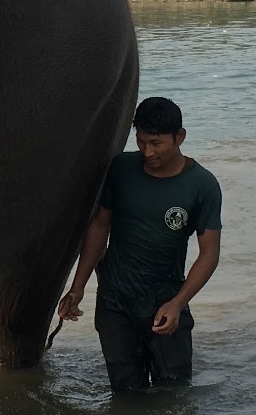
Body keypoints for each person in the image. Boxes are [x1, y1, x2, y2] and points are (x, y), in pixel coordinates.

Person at [58, 96, 223, 394]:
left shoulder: (202, 185)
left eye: (157, 143)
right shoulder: (121, 168)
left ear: (180, 137)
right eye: (142, 141)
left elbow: (209, 253)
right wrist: (78, 286)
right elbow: (99, 226)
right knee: (125, 395)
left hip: (164, 305)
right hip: (115, 305)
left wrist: (178, 303)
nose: (148, 152)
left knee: (173, 396)